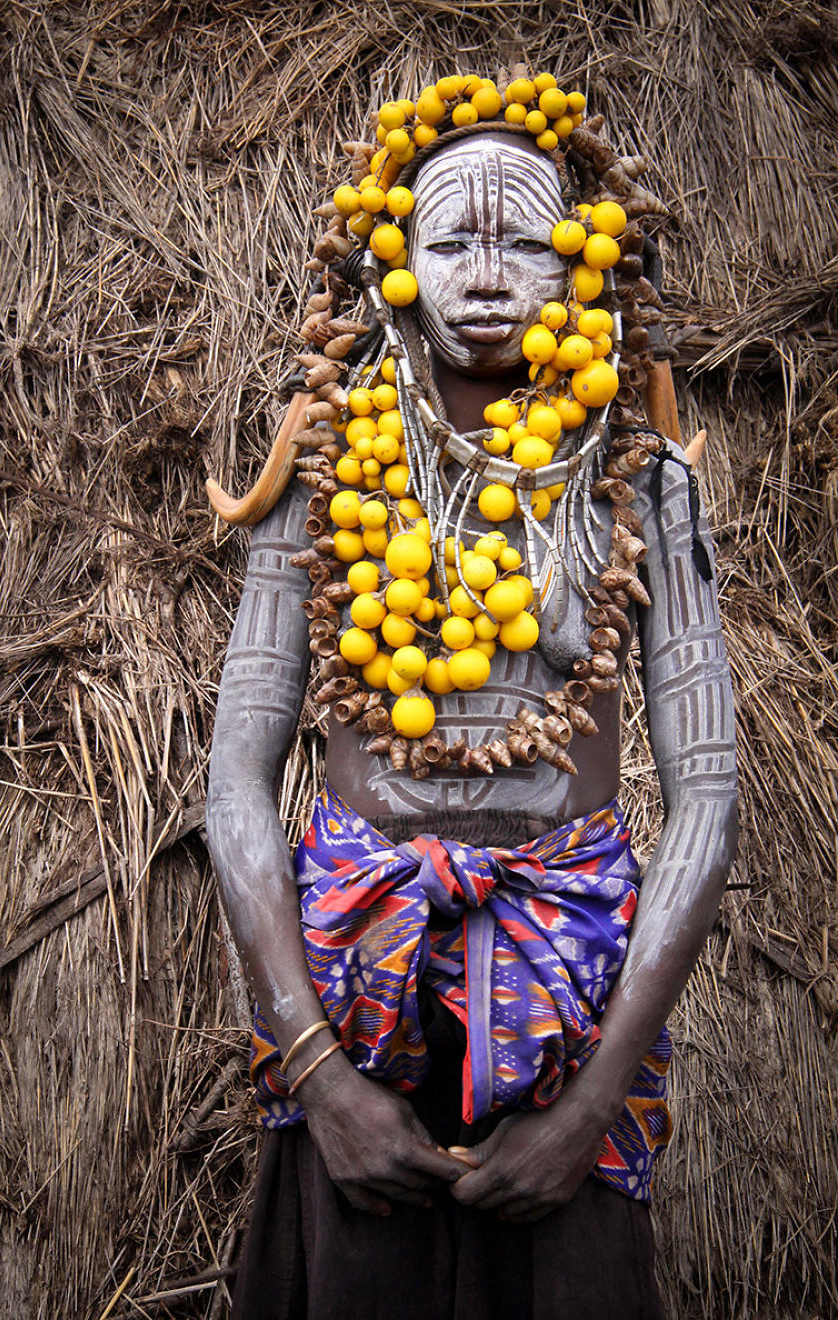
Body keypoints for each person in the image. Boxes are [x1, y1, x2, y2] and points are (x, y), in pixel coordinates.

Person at [206, 72, 738, 1320]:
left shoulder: (643, 484)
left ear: (583, 261)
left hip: (570, 1010)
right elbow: (234, 785)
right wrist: (320, 1076)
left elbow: (707, 802)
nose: (487, 277)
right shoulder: (325, 469)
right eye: (450, 242)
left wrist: (592, 1106)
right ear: (394, 262)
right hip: (353, 996)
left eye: (526, 243)